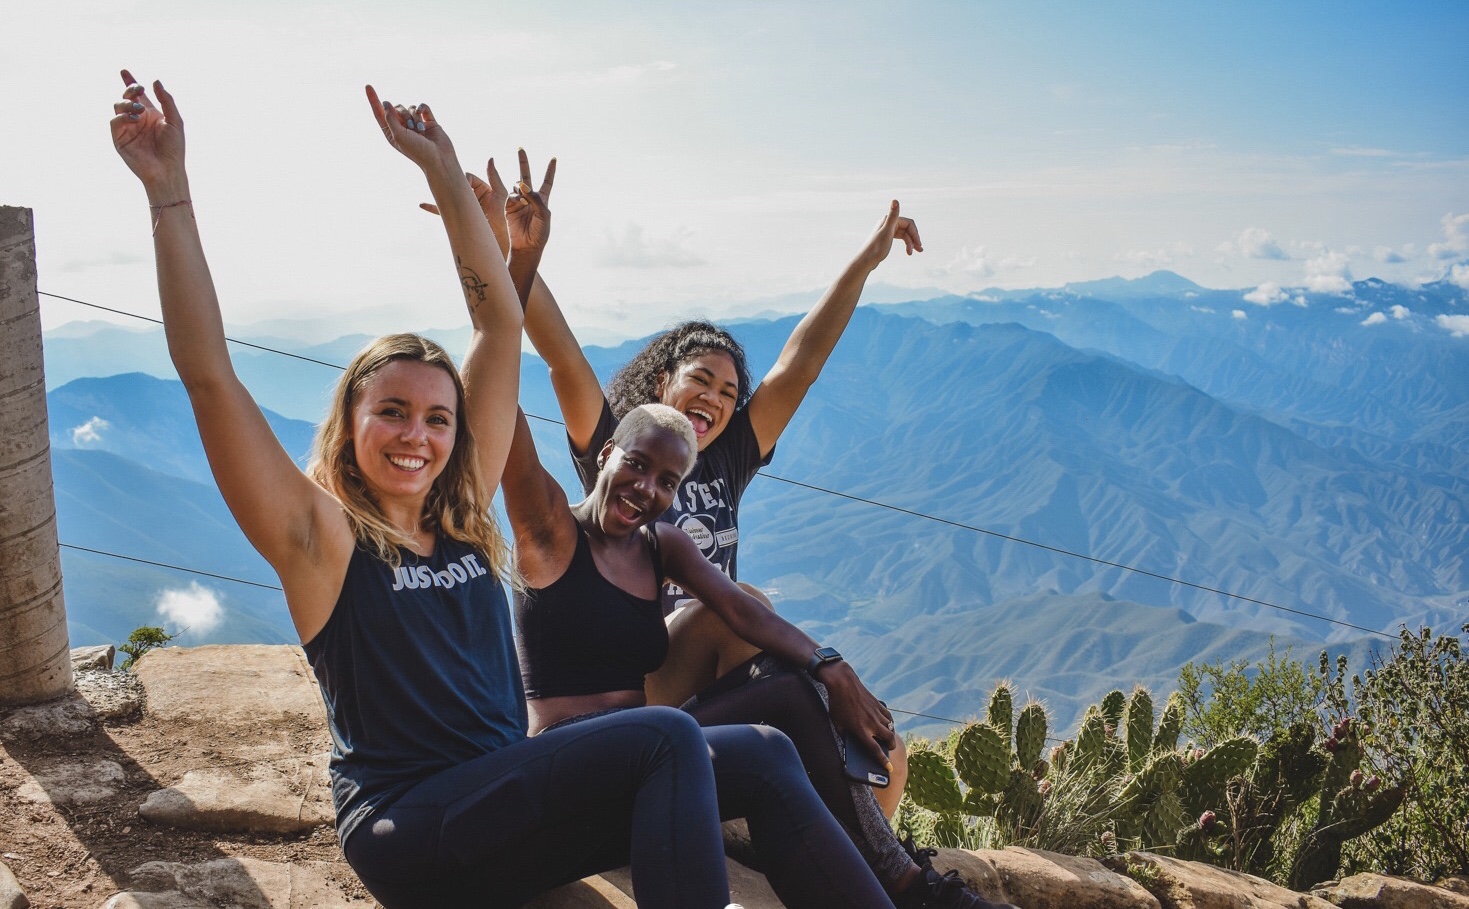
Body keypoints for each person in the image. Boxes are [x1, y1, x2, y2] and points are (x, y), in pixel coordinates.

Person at [107, 70, 793, 909]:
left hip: (504, 797)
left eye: (437, 418)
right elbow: (209, 376)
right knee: (663, 736)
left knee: (758, 753)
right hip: (412, 826)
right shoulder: (321, 539)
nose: (417, 435)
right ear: (349, 425)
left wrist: (445, 171)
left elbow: (498, 323)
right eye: (391, 411)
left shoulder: (464, 512)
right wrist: (167, 191)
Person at [496, 165, 1014, 909]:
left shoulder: (725, 456)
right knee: (745, 601)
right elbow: (553, 350)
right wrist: (507, 253)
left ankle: (855, 869)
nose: (714, 398)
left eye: (729, 392)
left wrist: (866, 261)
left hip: (705, 677)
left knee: (883, 755)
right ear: (659, 385)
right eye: (700, 380)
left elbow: (802, 359)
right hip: (640, 679)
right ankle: (880, 873)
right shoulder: (619, 441)